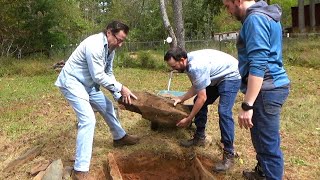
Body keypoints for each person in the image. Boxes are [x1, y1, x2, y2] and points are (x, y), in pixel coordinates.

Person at [55, 20, 139, 180]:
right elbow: (98, 76)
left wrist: (117, 95)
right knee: (88, 119)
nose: (120, 44)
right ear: (109, 32)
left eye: (123, 41)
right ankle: (80, 170)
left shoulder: (111, 48)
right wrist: (121, 87)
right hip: (72, 82)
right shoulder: (95, 45)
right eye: (119, 40)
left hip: (88, 84)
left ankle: (119, 137)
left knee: (108, 107)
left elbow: (108, 72)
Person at [222, 0, 290, 179]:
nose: (228, 11)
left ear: (237, 1)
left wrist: (248, 105)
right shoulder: (267, 15)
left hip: (265, 89)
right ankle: (262, 173)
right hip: (272, 86)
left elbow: (258, 63)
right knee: (262, 138)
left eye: (227, 6)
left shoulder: (255, 19)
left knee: (267, 146)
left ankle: (272, 176)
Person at [164, 47, 241, 172]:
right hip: (216, 75)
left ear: (182, 60)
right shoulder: (188, 65)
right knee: (197, 103)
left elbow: (202, 97)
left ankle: (229, 154)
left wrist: (189, 118)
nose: (173, 69)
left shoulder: (196, 67)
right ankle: (200, 137)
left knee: (224, 111)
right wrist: (182, 98)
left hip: (230, 75)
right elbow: (197, 85)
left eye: (174, 66)